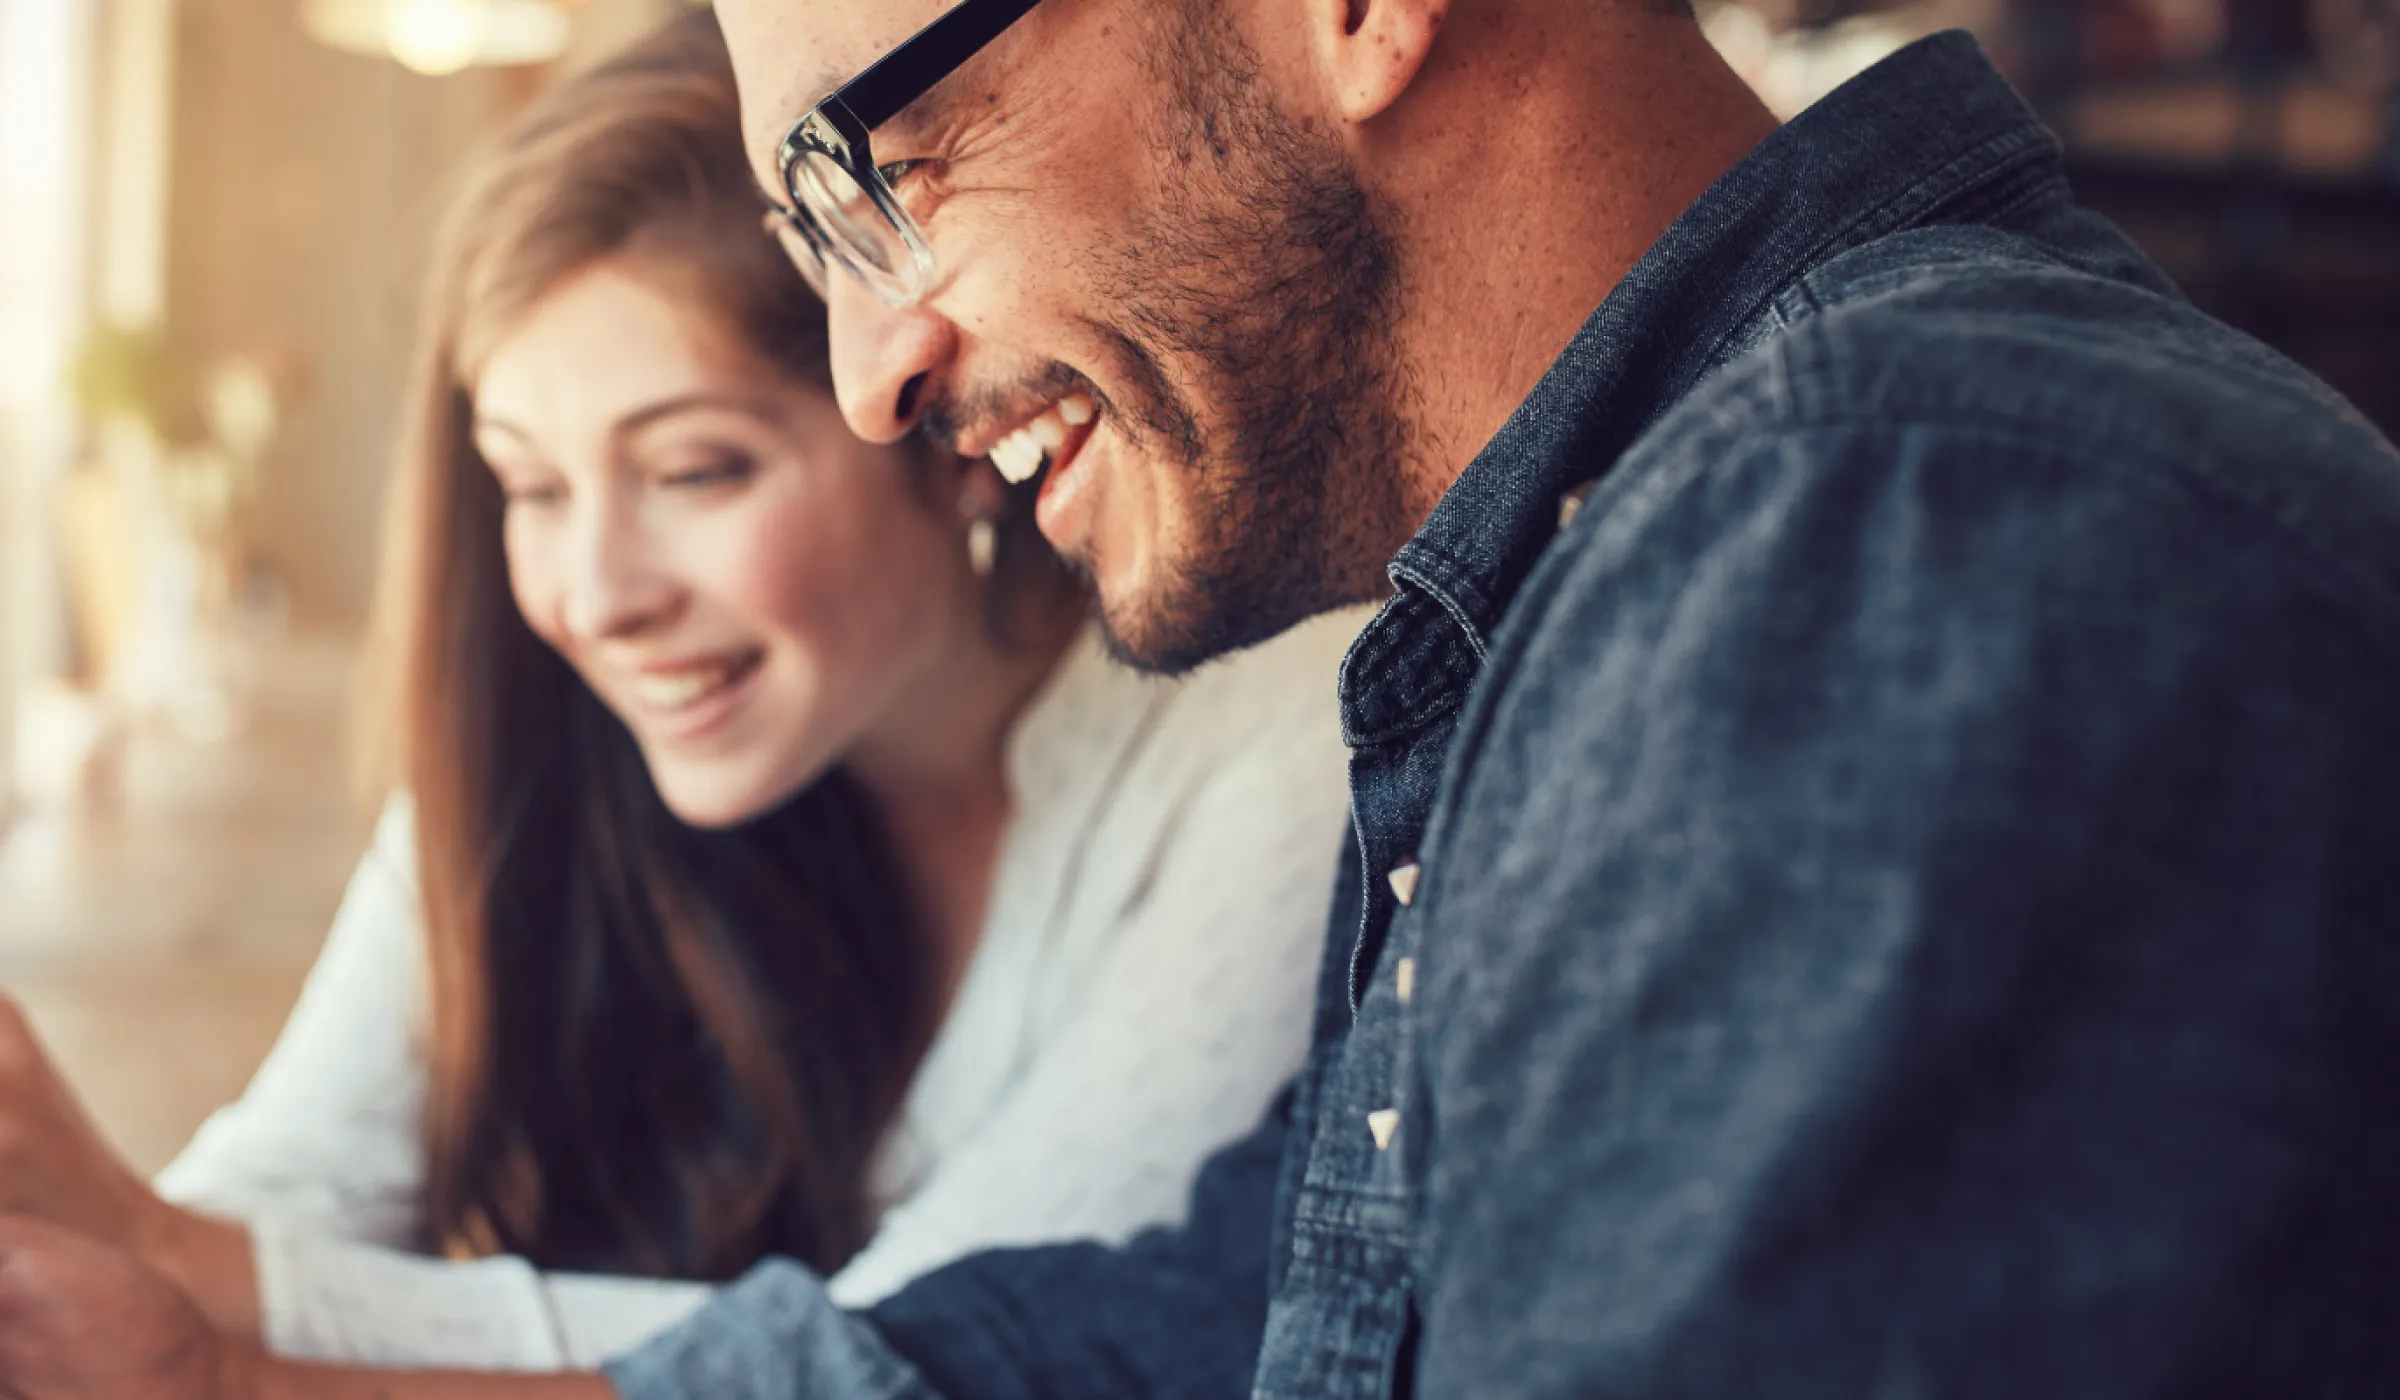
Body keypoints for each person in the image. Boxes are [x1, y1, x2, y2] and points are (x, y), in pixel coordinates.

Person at [6, 0, 2400, 1396]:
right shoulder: (1585, 613)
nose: (870, 373)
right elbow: (1126, 1348)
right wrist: (203, 1363)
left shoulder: (1896, 554)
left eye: (887, 166)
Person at [0, 6, 1363, 1382]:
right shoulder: (560, 737)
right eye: (531, 486)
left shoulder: (1291, 737)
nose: (596, 596)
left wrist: (182, 1279)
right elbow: (286, 1187)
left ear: (931, 416)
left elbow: (928, 1352)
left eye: (695, 471)